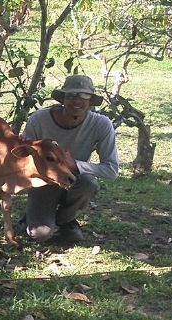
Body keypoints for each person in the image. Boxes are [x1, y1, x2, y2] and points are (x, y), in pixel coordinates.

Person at [20, 74, 119, 243]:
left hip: (74, 179)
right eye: (71, 95)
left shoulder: (102, 124)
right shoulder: (38, 119)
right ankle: (33, 219)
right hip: (44, 182)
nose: (77, 101)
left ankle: (65, 219)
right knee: (40, 234)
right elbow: (23, 160)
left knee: (89, 184)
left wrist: (76, 166)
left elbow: (111, 170)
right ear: (63, 99)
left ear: (90, 101)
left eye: (84, 96)